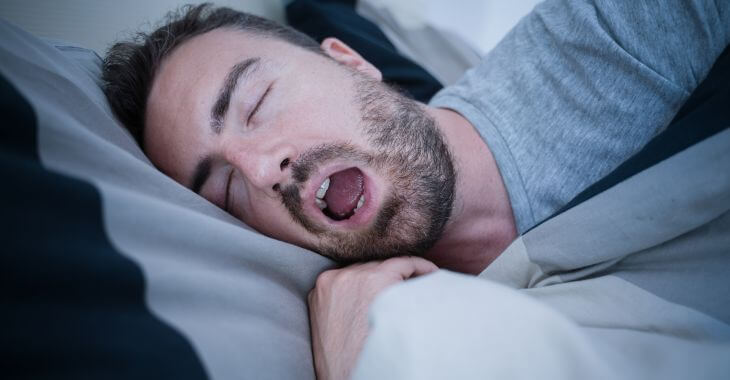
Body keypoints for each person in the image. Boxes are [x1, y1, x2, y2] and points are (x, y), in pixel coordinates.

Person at [102, 0, 730, 378]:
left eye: (258, 102)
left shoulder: (606, 44)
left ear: (350, 61)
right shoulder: (381, 320)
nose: (263, 170)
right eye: (227, 191)